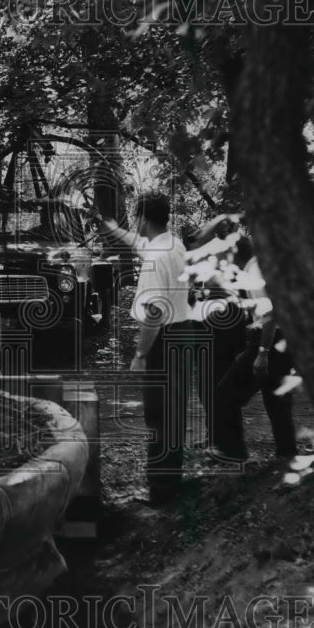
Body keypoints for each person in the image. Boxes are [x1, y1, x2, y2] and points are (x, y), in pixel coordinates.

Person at [100, 192, 194, 506]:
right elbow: (138, 243)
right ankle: (171, 484)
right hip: (183, 333)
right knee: (173, 413)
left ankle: (161, 495)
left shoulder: (155, 258)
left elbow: (153, 313)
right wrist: (110, 226)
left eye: (133, 216)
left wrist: (140, 355)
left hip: (164, 341)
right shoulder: (173, 243)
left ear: (141, 218)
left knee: (159, 415)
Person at [212, 238, 298, 463]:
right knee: (276, 397)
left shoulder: (255, 272)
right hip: (282, 341)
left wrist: (262, 352)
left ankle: (233, 451)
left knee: (225, 394)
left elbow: (270, 313)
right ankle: (286, 453)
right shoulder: (261, 266)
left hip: (269, 340)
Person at [187, 216, 249, 453]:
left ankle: (229, 444)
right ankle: (214, 437)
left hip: (225, 329)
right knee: (205, 386)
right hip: (205, 327)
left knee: (221, 386)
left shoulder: (235, 253)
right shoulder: (206, 256)